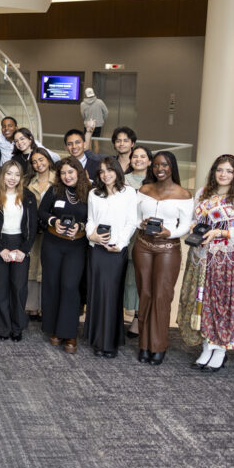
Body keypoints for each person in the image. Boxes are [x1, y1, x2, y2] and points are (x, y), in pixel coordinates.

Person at [178, 155, 234, 372]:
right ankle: (207, 345)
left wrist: (221, 232)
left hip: (226, 264)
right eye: (220, 170)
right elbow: (192, 220)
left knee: (222, 306)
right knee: (201, 303)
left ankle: (220, 349)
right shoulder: (202, 193)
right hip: (200, 260)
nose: (224, 175)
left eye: (229, 171)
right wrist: (194, 227)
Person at [132, 151, 193, 365]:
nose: (160, 169)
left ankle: (158, 345)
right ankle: (144, 344)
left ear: (172, 167)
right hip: (143, 246)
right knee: (146, 294)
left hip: (168, 248)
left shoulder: (183, 194)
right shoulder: (144, 190)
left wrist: (170, 232)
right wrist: (141, 223)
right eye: (157, 165)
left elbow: (185, 226)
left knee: (161, 296)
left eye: (165, 165)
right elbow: (136, 217)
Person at [84, 158, 138, 357]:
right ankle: (98, 339)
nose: (105, 174)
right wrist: (92, 236)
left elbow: (132, 221)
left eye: (109, 170)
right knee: (97, 294)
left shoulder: (129, 192)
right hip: (97, 250)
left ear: (117, 171)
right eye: (101, 171)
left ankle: (110, 342)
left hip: (116, 250)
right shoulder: (93, 194)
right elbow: (90, 220)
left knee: (112, 295)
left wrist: (121, 243)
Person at [38, 156, 91, 354]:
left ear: (78, 172)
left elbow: (95, 218)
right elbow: (41, 212)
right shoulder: (54, 191)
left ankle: (69, 333)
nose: (67, 176)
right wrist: (53, 221)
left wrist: (81, 226)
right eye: (63, 173)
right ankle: (54, 330)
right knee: (52, 285)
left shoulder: (90, 193)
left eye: (71, 172)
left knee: (70, 286)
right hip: (52, 244)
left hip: (76, 246)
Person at [0, 160, 39, 341]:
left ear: (21, 177)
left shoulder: (29, 196)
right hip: (0, 243)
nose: (12, 178)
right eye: (9, 173)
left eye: (17, 174)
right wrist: (0, 249)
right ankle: (3, 327)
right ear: (3, 175)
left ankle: (17, 327)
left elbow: (32, 227)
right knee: (1, 288)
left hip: (20, 243)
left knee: (18, 288)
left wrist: (24, 250)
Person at [122, 145, 152, 337]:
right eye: (135, 156)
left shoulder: (155, 182)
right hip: (124, 235)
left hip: (145, 237)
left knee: (140, 279)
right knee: (125, 280)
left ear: (150, 161)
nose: (138, 159)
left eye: (143, 157)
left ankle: (137, 319)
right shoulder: (122, 180)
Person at [25, 148, 54, 321]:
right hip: (33, 230)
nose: (38, 164)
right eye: (34, 161)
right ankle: (32, 306)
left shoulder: (59, 179)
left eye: (41, 160)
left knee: (48, 268)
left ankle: (46, 306)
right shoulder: (28, 181)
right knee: (33, 266)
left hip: (53, 231)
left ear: (48, 159)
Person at [80, 88, 109, 153]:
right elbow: (106, 112)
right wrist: (102, 120)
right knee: (96, 142)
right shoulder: (100, 102)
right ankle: (95, 158)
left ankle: (89, 158)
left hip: (87, 125)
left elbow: (83, 115)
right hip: (98, 125)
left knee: (88, 142)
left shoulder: (83, 104)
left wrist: (86, 120)